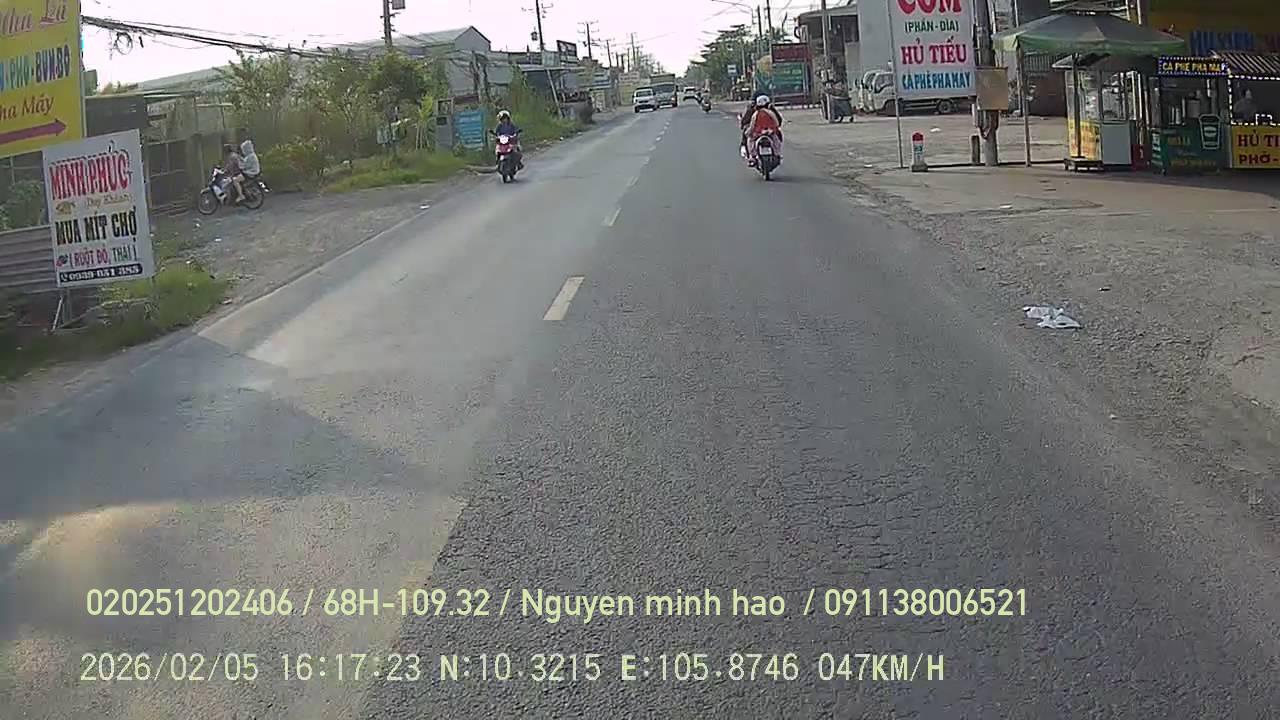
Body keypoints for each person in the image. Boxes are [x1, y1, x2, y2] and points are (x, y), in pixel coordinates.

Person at [743, 94, 784, 164]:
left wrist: (748, 132)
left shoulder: (756, 113)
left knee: (750, 140)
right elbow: (777, 123)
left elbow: (752, 125)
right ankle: (777, 155)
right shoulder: (771, 112)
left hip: (758, 133)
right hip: (770, 132)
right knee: (777, 141)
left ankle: (752, 157)